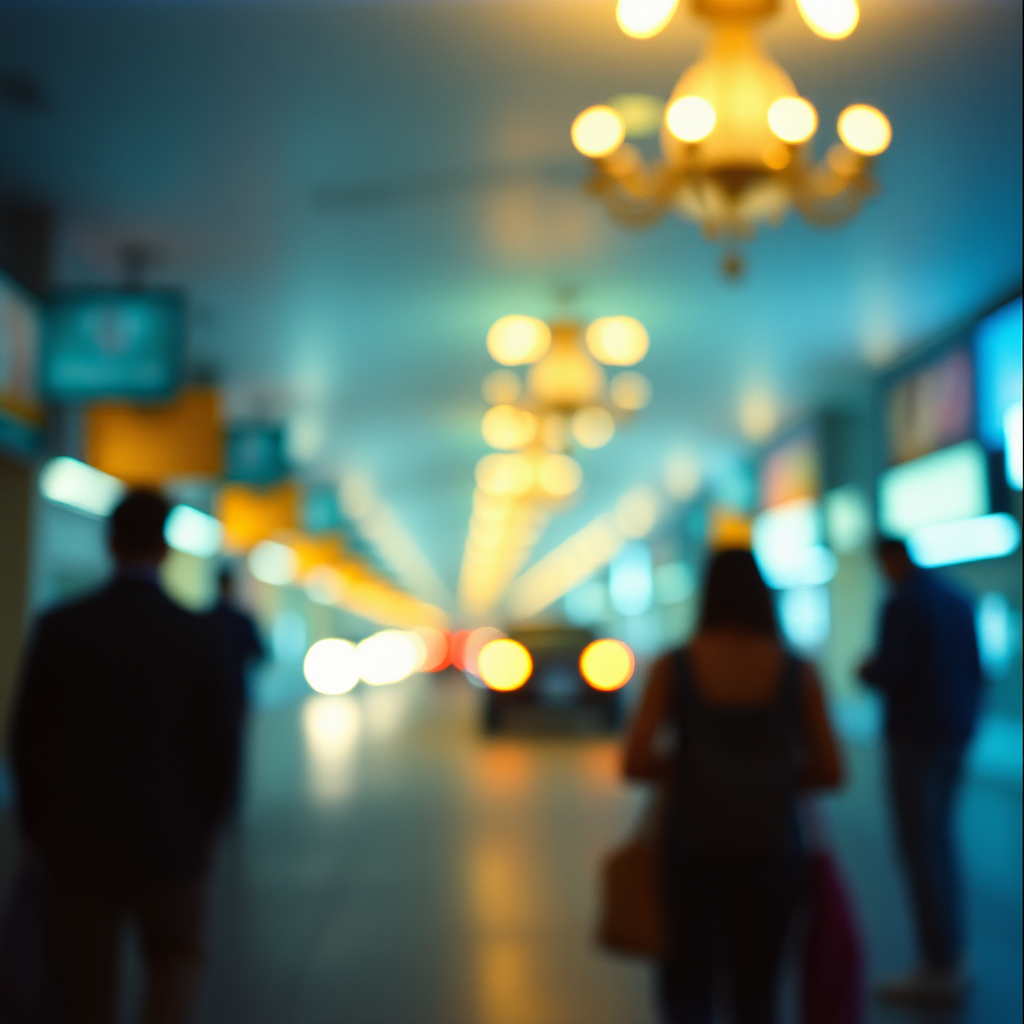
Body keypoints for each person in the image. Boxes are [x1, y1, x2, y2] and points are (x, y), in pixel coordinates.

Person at [10, 489, 234, 1024]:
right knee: (175, 960)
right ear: (165, 549)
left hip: (77, 841)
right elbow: (220, 743)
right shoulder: (197, 635)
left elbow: (27, 736)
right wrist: (207, 822)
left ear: (109, 543)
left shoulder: (61, 628)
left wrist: (36, 826)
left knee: (83, 983)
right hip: (171, 838)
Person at [624, 548, 843, 1024]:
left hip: (690, 846)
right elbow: (830, 770)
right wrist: (773, 772)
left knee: (687, 988)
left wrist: (694, 766)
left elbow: (636, 761)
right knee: (758, 993)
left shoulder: (674, 667)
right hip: (774, 848)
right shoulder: (795, 670)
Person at [859, 537, 981, 1006]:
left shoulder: (902, 603)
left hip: (914, 737)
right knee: (941, 842)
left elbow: (893, 670)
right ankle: (950, 952)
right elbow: (977, 669)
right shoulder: (958, 598)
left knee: (920, 847)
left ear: (892, 558)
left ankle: (938, 962)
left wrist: (866, 670)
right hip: (955, 734)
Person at [205, 567, 264, 817]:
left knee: (208, 749)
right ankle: (231, 803)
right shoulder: (241, 620)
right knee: (232, 750)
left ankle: (214, 802)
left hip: (207, 699)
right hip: (236, 695)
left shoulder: (205, 620)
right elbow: (260, 653)